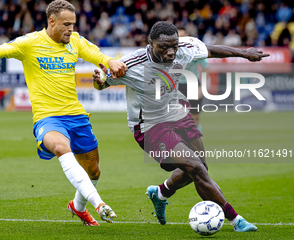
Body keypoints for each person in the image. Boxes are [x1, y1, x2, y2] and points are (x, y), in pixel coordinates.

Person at [0, 0, 128, 226]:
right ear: (51, 21)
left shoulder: (75, 41)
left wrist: (111, 61)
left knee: (94, 171)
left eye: (73, 24)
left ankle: (78, 207)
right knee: (60, 147)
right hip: (48, 118)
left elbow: (96, 54)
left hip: (77, 116)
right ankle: (100, 204)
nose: (70, 29)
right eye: (66, 24)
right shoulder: (30, 43)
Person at [93, 21, 269, 232]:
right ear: (150, 44)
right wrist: (98, 79)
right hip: (149, 126)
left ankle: (160, 193)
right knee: (194, 167)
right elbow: (101, 83)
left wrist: (244, 53)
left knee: (200, 167)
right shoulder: (132, 64)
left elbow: (211, 50)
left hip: (178, 111)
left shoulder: (184, 48)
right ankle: (235, 219)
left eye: (174, 46)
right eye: (164, 47)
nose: (171, 52)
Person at [177, 27, 209, 132]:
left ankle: (196, 143)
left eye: (182, 36)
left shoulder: (194, 50)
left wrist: (202, 87)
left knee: (195, 117)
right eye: (178, 37)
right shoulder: (169, 52)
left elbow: (206, 68)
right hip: (177, 86)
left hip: (193, 85)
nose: (180, 39)